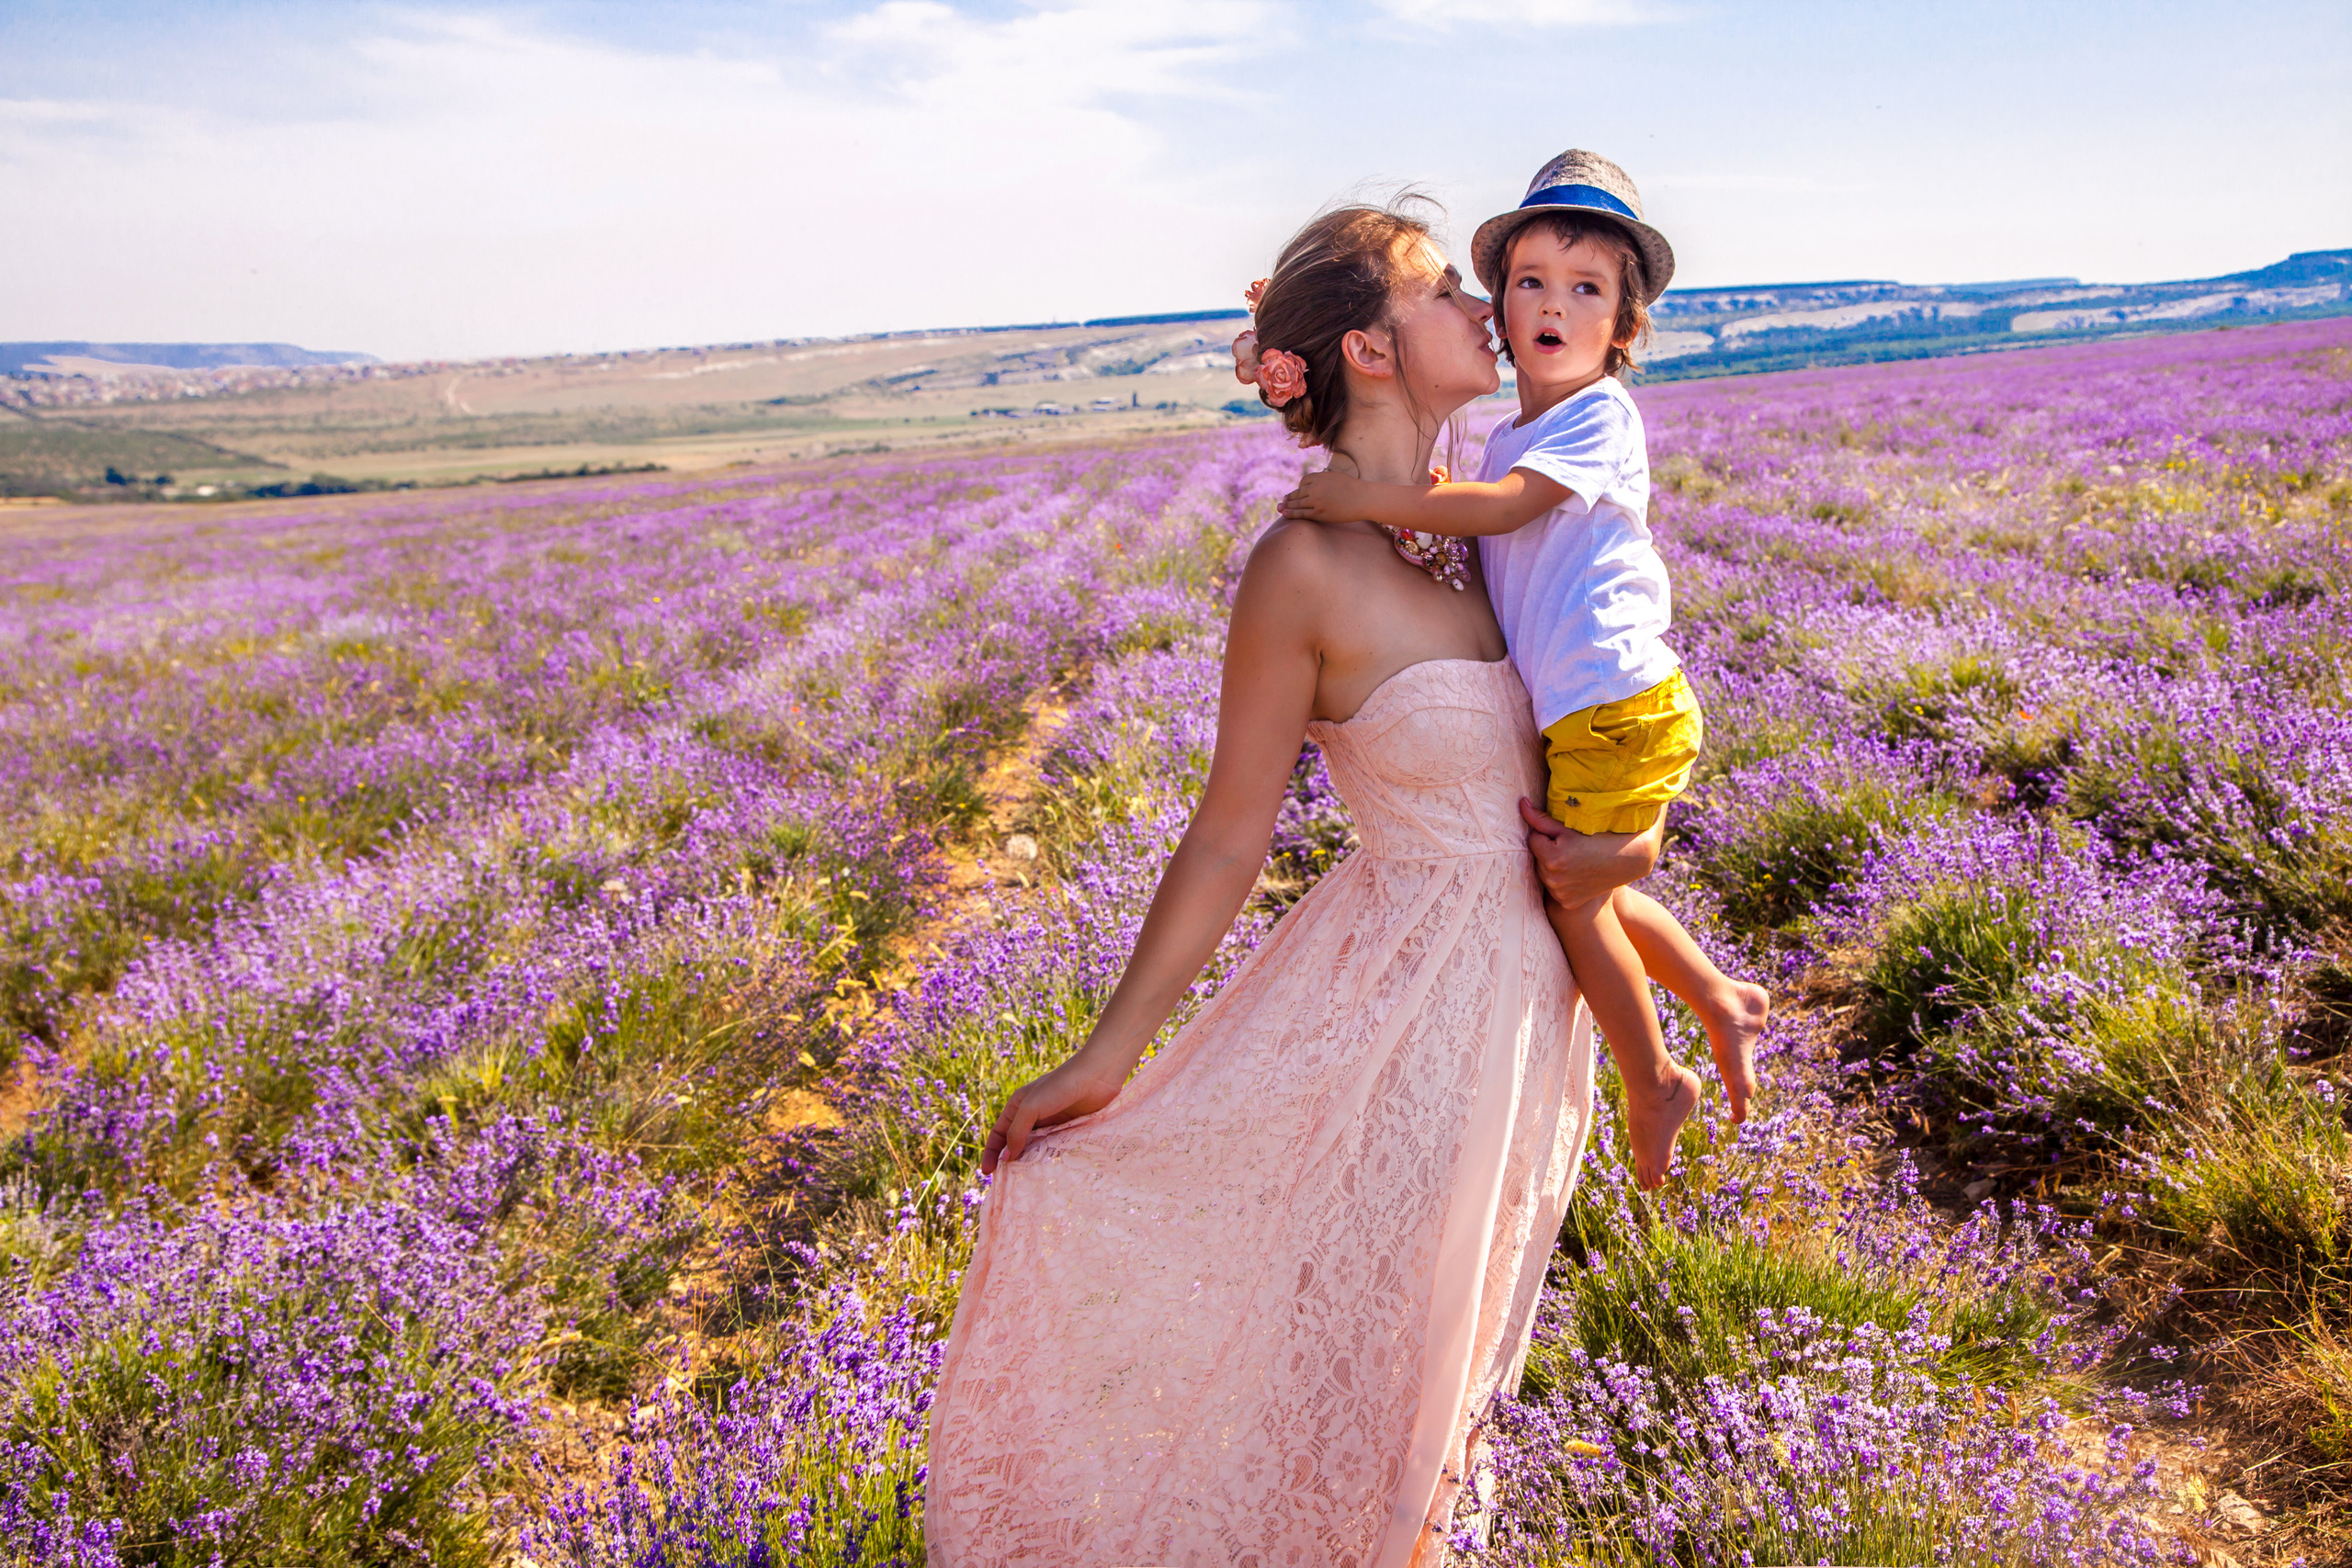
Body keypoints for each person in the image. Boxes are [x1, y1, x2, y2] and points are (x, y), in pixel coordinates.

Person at [925, 202, 1589, 1567]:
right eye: (1443, 289)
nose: (1484, 305)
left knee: (1453, 1369)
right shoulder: (1301, 565)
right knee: (1383, 1375)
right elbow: (1230, 836)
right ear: (1370, 349)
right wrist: (1106, 1057)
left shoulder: (1481, 526)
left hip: (1527, 1011)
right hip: (1410, 1016)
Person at [1280, 151, 1768, 1190]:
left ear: (1623, 329)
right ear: (1500, 306)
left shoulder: (1599, 414)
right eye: (1531, 281)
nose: (1554, 304)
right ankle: (1718, 994)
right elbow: (1475, 501)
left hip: (1618, 703)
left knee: (1572, 898)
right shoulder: (1508, 432)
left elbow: (1501, 514)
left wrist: (1366, 501)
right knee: (1573, 872)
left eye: (1587, 290)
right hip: (1581, 708)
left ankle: (1653, 1080)